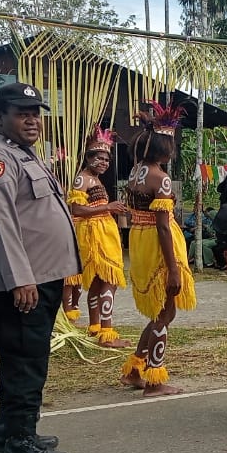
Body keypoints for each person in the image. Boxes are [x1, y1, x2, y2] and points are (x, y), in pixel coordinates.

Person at [0, 82, 78, 453]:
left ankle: (7, 433)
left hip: (39, 275)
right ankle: (20, 443)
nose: (32, 121)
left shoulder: (21, 154)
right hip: (19, 281)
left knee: (23, 357)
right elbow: (0, 223)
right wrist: (20, 279)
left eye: (35, 114)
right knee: (25, 360)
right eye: (21, 114)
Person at [119, 102, 197, 397]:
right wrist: (174, 269)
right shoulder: (160, 179)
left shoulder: (135, 172)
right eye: (171, 145)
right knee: (165, 313)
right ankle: (154, 380)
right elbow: (164, 227)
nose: (173, 150)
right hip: (158, 244)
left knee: (158, 313)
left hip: (140, 240)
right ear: (164, 147)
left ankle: (135, 370)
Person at [67, 128, 132, 349]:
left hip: (101, 231)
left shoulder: (93, 179)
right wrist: (108, 207)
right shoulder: (82, 179)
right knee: (108, 281)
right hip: (95, 235)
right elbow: (76, 209)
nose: (104, 163)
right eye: (100, 158)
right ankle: (107, 333)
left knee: (96, 284)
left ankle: (95, 328)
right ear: (88, 158)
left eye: (107, 159)